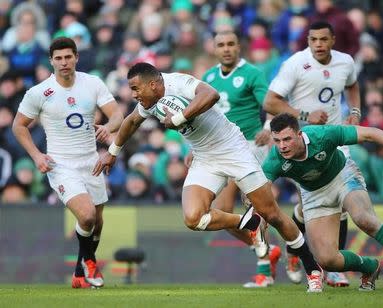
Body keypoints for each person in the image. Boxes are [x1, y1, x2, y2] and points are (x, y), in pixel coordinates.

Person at [92, 62, 324, 292]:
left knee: (272, 214)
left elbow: (210, 95)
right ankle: (250, 223)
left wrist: (180, 117)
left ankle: (313, 269)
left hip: (233, 150)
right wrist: (112, 153)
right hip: (204, 157)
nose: (133, 95)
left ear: (153, 84)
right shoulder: (149, 101)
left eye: (135, 89)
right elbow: (131, 121)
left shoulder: (179, 82)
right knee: (194, 218)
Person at [263, 113, 383, 291]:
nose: (282, 146)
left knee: (364, 219)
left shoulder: (322, 135)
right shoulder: (275, 159)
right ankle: (369, 267)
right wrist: (259, 215)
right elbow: (259, 190)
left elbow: (369, 133)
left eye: (287, 139)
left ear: (299, 134)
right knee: (327, 260)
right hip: (313, 194)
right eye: (277, 141)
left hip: (342, 176)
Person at [12, 37, 124, 289]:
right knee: (86, 216)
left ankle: (78, 274)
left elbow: (117, 114)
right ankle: (90, 261)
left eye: (68, 57)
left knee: (97, 220)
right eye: (59, 58)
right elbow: (18, 126)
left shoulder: (92, 83)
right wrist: (37, 156)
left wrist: (108, 127)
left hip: (91, 161)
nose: (64, 62)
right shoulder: (39, 92)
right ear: (51, 61)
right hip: (60, 164)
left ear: (76, 57)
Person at [263, 20, 360, 286]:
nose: (318, 44)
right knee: (308, 207)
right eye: (313, 40)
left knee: (340, 204)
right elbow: (270, 102)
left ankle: (336, 266)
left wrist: (355, 112)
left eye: (323, 39)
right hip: (299, 142)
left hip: (334, 138)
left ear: (333, 41)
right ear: (307, 40)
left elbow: (352, 85)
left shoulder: (345, 62)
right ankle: (294, 251)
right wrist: (305, 115)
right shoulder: (295, 64)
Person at [202, 31, 280, 288]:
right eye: (221, 45)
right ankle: (266, 251)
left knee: (253, 206)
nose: (226, 49)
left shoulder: (252, 73)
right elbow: (200, 117)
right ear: (214, 49)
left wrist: (268, 126)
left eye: (231, 44)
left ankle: (263, 271)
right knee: (223, 215)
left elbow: (269, 103)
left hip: (249, 145)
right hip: (220, 149)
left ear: (239, 47)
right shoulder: (209, 77)